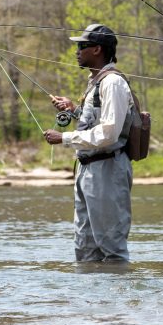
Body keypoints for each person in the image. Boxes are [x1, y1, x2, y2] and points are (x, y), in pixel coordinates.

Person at [43, 23, 136, 262]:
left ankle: (117, 288)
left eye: (82, 46)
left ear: (97, 49)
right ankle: (89, 288)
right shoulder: (95, 81)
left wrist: (64, 138)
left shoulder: (112, 83)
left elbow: (109, 132)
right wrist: (74, 110)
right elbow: (97, 122)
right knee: (85, 249)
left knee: (112, 248)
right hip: (87, 170)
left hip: (108, 169)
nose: (77, 51)